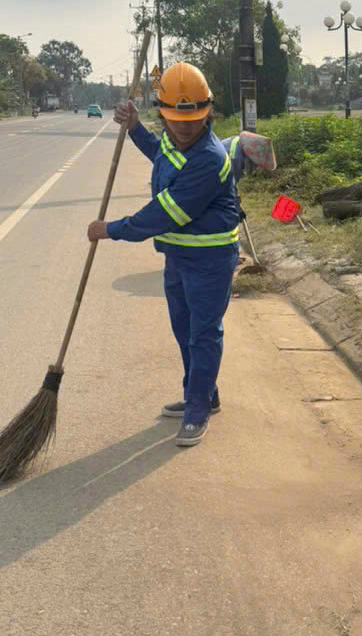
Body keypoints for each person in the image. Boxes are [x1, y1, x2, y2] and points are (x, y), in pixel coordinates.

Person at [87, 62, 240, 447]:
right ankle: (204, 392)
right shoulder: (175, 140)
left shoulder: (208, 158)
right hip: (178, 256)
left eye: (193, 119)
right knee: (185, 331)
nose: (184, 127)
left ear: (207, 113)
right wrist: (136, 128)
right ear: (164, 114)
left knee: (203, 334)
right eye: (174, 119)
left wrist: (112, 229)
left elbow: (164, 213)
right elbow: (162, 154)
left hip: (210, 260)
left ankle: (197, 409)